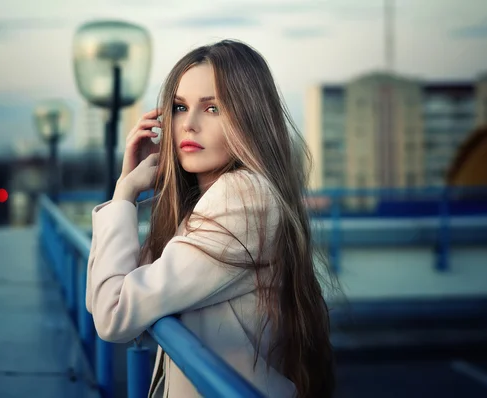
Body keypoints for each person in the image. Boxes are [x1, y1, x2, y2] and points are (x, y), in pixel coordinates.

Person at [85, 39, 335, 398]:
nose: (189, 125)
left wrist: (124, 195)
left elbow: (112, 314)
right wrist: (126, 183)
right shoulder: (205, 202)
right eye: (180, 107)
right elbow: (103, 296)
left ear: (249, 118)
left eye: (213, 108)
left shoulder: (244, 197)